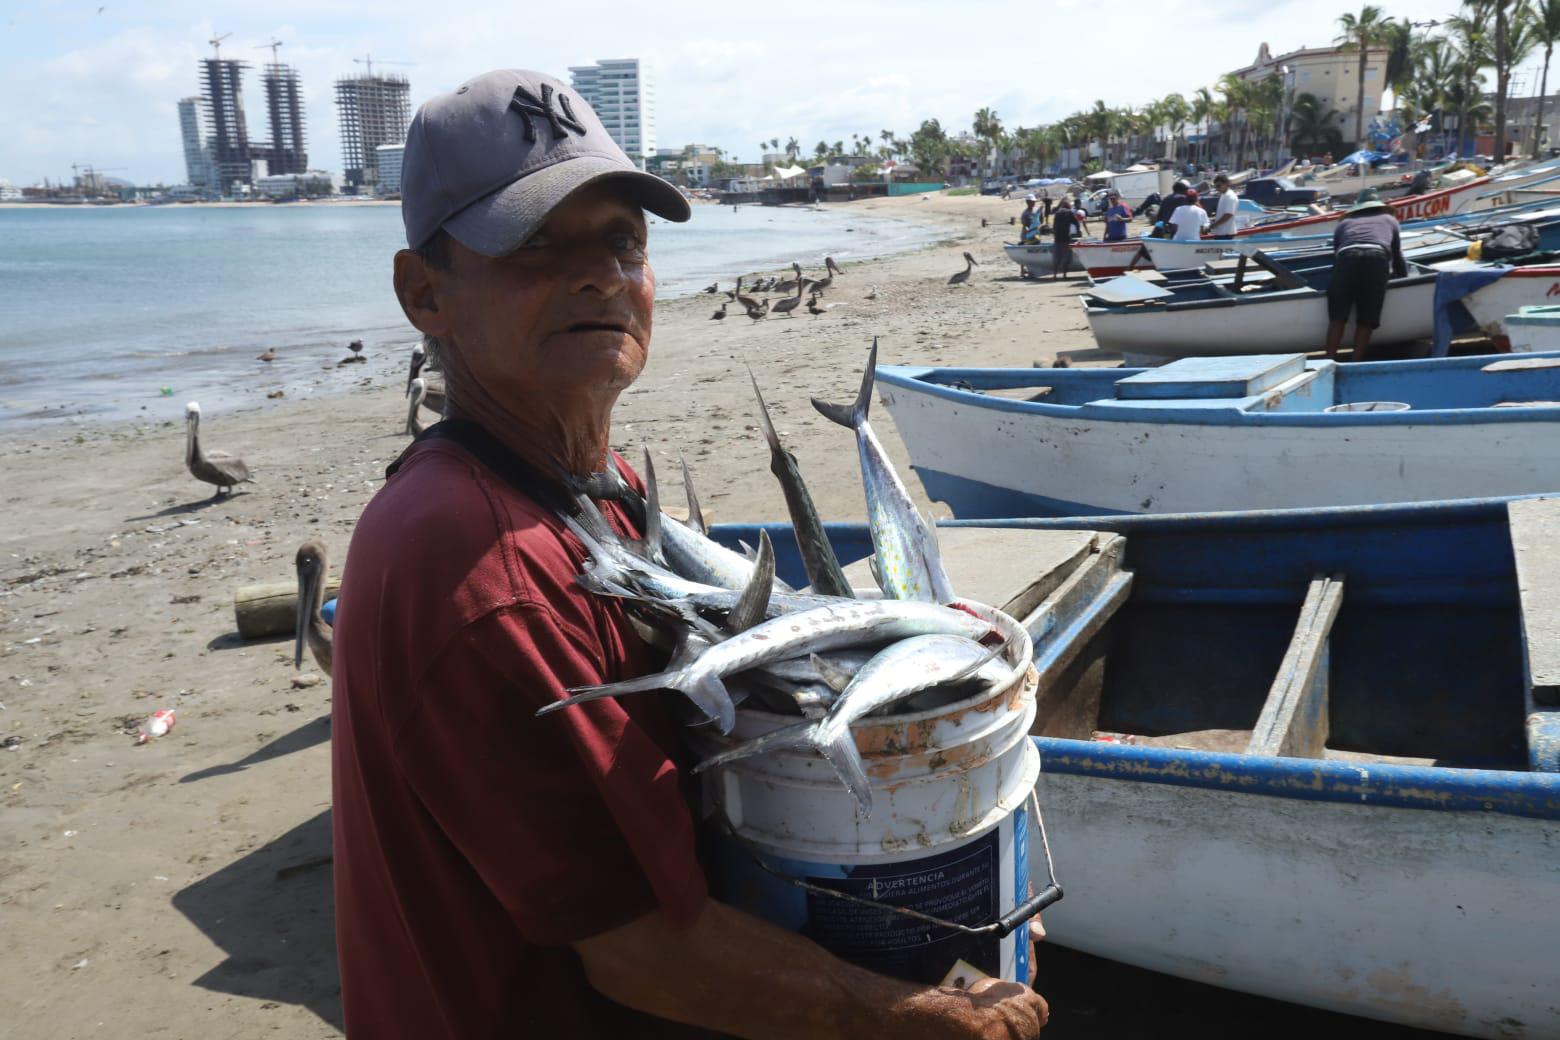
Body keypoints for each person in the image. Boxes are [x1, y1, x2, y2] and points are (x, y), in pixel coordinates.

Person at [331, 68, 1050, 1040]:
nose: (597, 274)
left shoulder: (586, 486)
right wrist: (916, 1014)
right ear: (426, 293)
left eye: (622, 241)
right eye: (534, 243)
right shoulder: (482, 568)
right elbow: (640, 948)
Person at [1325, 189, 1408, 362]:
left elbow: (1337, 255)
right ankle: (1355, 362)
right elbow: (1397, 256)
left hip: (1346, 258)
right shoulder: (1389, 220)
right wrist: (1403, 279)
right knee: (1366, 319)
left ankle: (1329, 360)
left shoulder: (1343, 224)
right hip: (1376, 258)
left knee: (1337, 317)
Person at [1051, 196, 1087, 280]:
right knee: (1065, 257)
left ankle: (1055, 275)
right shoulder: (1069, 212)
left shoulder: (1058, 213)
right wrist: (1078, 231)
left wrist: (1055, 234)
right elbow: (1076, 223)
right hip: (1066, 238)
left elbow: (1054, 226)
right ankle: (1064, 275)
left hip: (1057, 238)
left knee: (1056, 258)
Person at [1207, 173, 1240, 239]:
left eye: (1219, 186)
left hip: (1226, 234)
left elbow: (1228, 215)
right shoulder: (1223, 195)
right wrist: (1213, 219)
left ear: (1226, 184)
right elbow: (1224, 213)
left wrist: (1214, 225)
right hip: (1221, 233)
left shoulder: (1230, 196)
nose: (1217, 188)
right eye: (1215, 186)